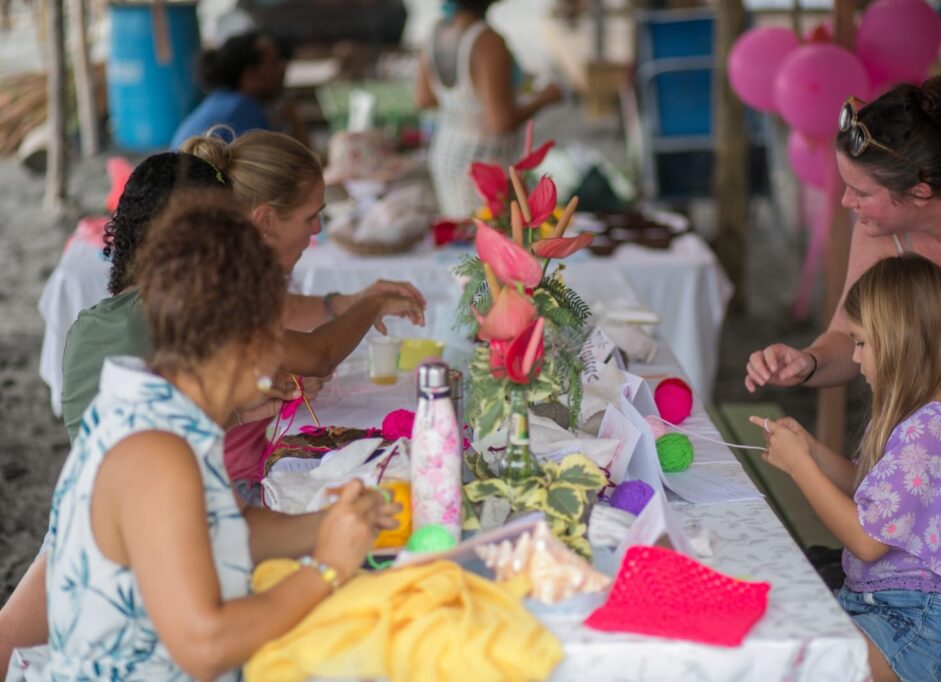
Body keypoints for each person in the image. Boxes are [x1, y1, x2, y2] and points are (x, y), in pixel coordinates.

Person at [15, 193, 400, 680]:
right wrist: (326, 568)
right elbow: (205, 643)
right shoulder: (157, 450)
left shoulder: (165, 409)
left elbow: (232, 528)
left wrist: (332, 523)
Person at [743, 76, 941, 681]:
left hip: (916, 619)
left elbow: (871, 538)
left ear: (919, 191)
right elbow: (848, 334)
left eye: (860, 191)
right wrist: (807, 362)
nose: (846, 202)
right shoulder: (884, 222)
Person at [751, 255, 941, 682]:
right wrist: (811, 450)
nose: (855, 358)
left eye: (861, 343)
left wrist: (801, 466)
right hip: (881, 608)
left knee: (797, 662)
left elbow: (867, 540)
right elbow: (869, 491)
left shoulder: (930, 429)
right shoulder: (918, 418)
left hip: (918, 625)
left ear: (901, 339)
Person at [415, 0, 563, 217]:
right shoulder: (487, 40)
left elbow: (425, 99)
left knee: (464, 232)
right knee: (488, 233)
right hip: (485, 163)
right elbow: (500, 122)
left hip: (447, 153)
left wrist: (464, 106)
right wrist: (544, 98)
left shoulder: (437, 30)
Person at [170, 31, 304, 150]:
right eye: (274, 62)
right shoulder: (243, 112)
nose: (283, 67)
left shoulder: (221, 102)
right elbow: (293, 165)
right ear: (250, 75)